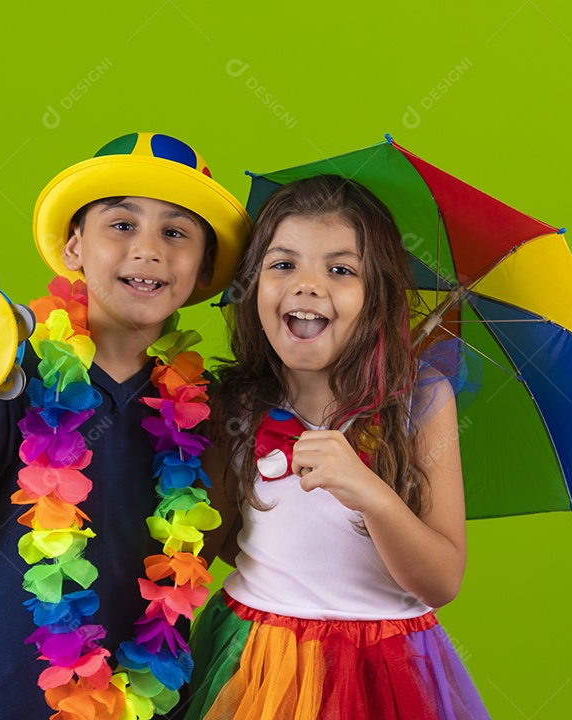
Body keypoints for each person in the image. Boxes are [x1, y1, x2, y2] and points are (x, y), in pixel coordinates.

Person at [0, 132, 251, 719]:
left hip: (151, 700)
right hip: (12, 696)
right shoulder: (12, 367)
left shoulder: (205, 409)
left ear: (202, 267)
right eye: (121, 225)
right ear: (74, 246)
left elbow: (235, 552)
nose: (149, 250)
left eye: (175, 232)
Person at [186, 175, 490, 719]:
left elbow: (442, 581)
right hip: (256, 660)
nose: (307, 285)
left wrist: (370, 493)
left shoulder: (420, 401)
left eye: (341, 270)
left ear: (377, 296)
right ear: (252, 286)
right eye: (283, 265)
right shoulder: (233, 406)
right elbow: (214, 544)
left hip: (385, 666)